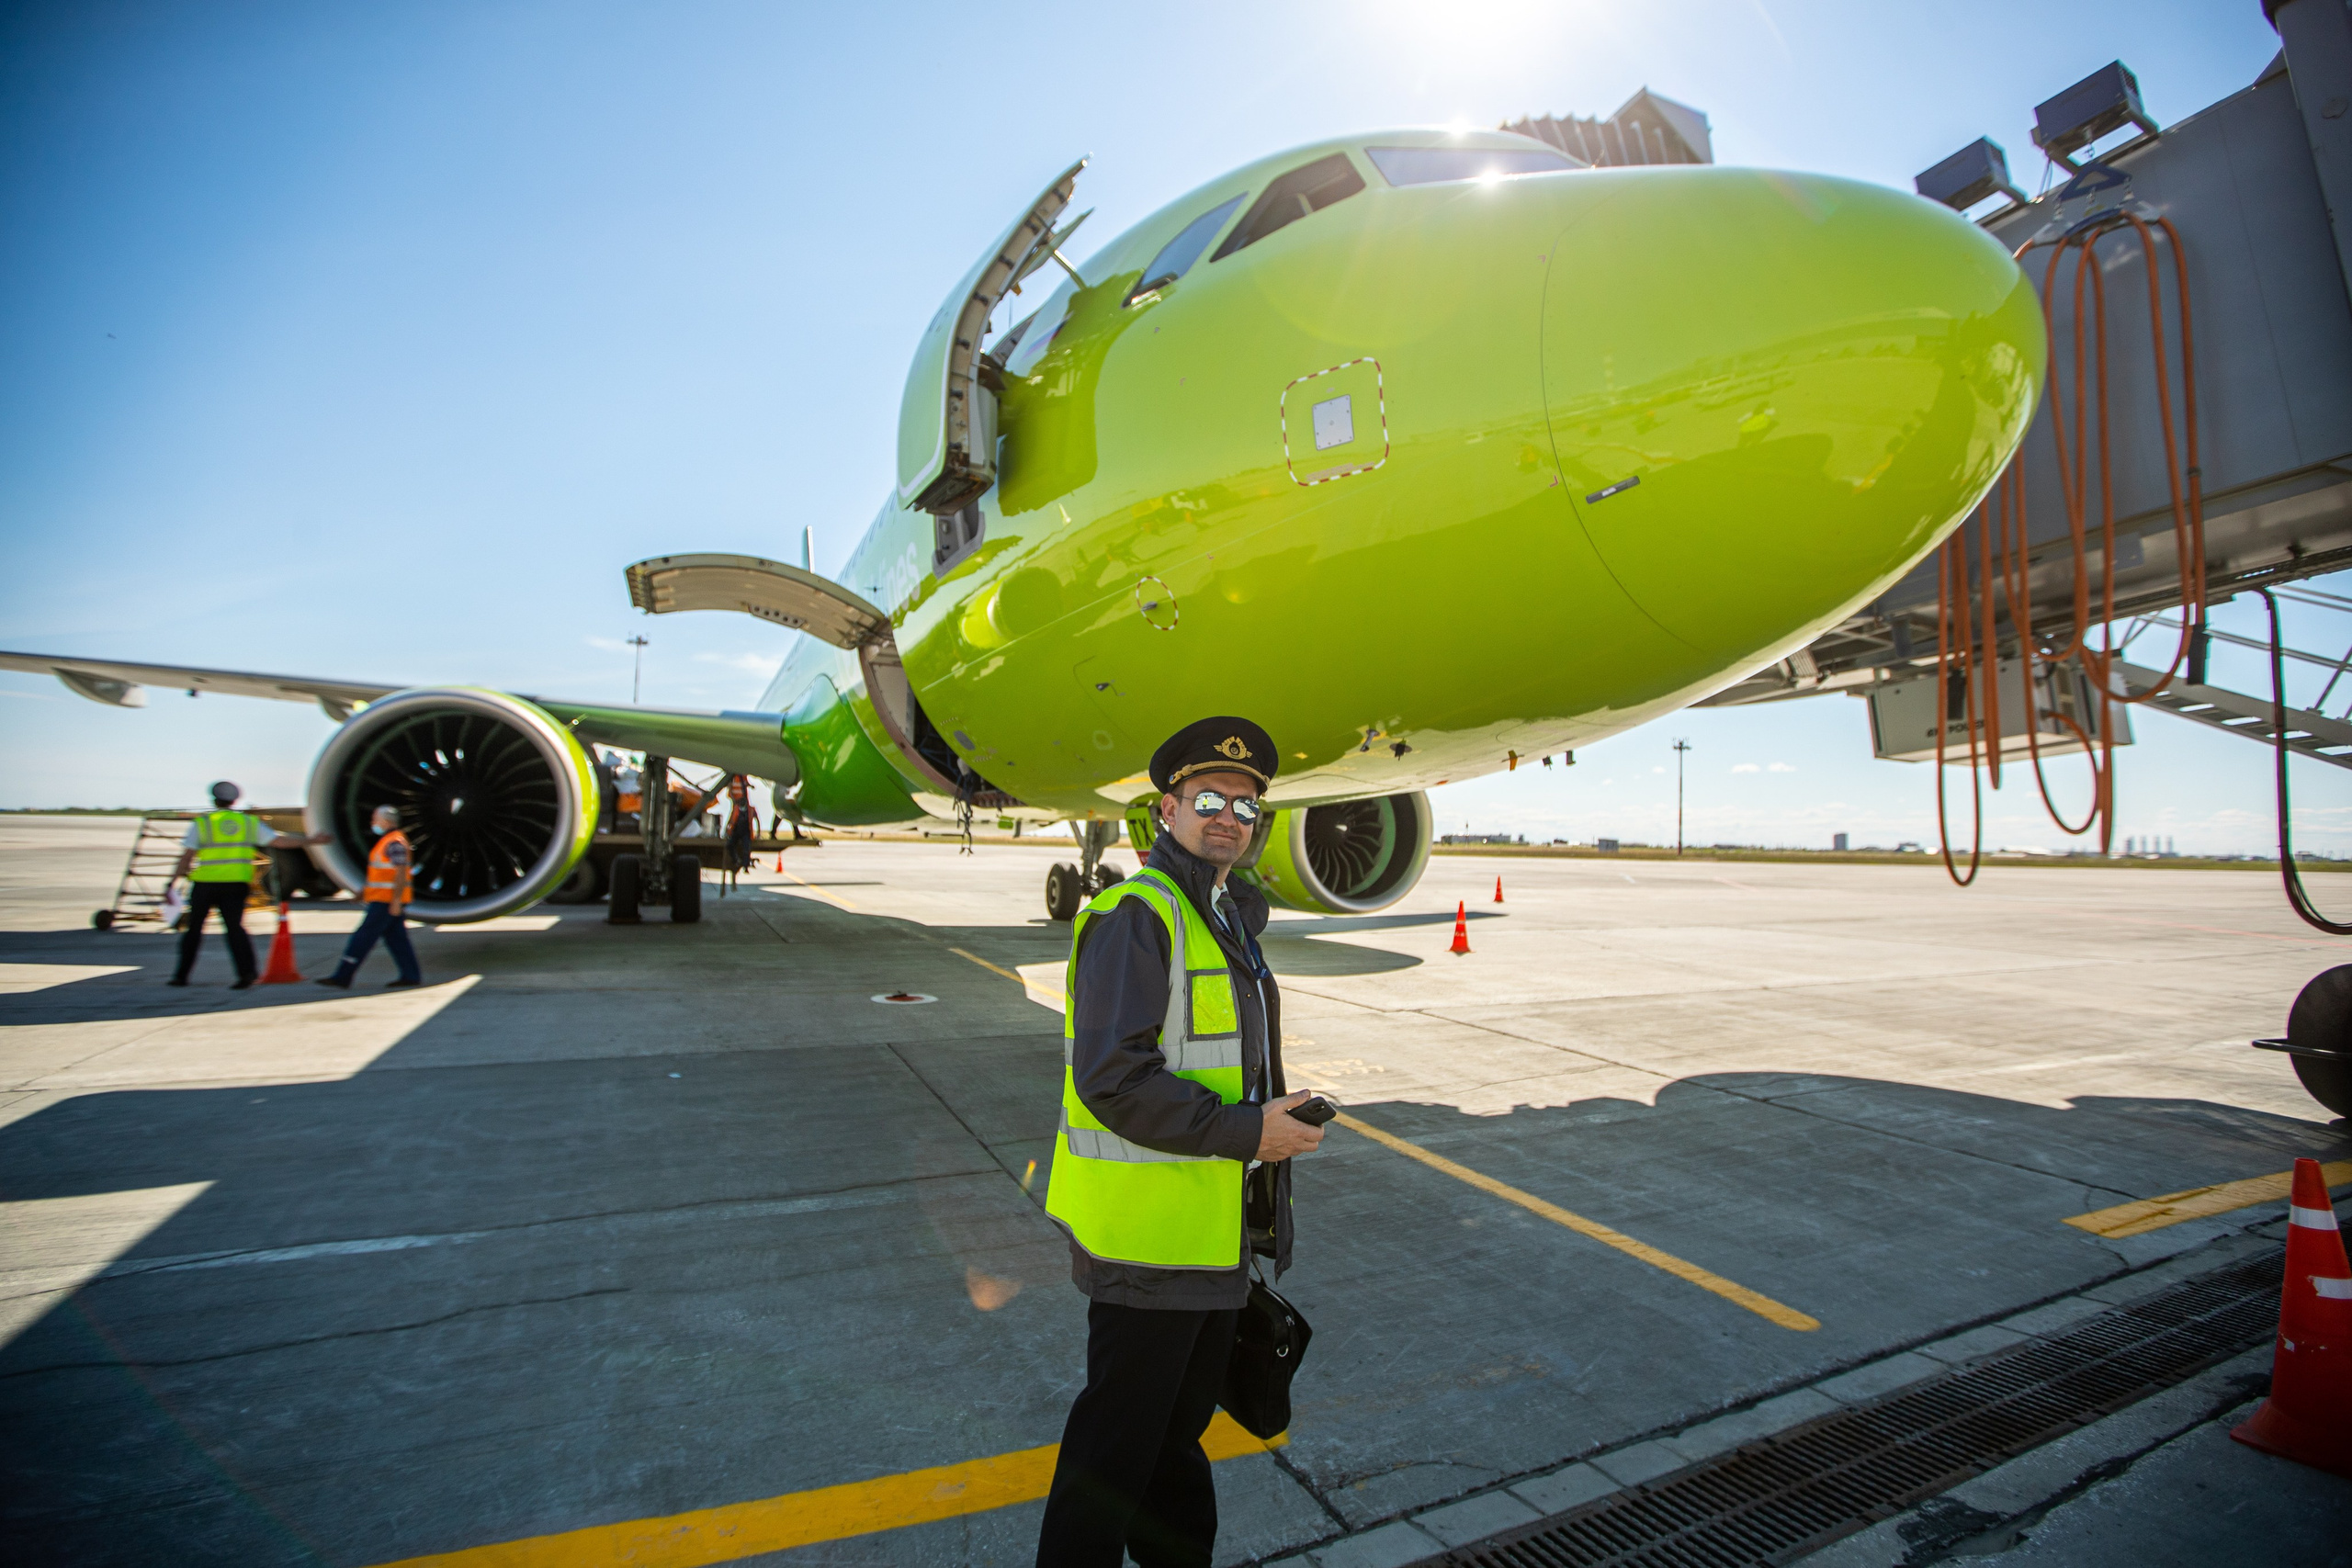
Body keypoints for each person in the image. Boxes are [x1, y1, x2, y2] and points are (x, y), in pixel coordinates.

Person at [1036, 717, 1324, 1568]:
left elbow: (1211, 1060)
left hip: (1209, 1238)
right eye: (1208, 799)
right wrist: (1247, 1131)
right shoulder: (1138, 915)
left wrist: (1276, 1110)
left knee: (1171, 1446)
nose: (1228, 815)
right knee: (1113, 1454)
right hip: (1148, 1244)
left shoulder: (1225, 917)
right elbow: (1113, 1078)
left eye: (1246, 805)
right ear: (1167, 808)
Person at [168, 781, 331, 988]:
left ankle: (181, 976)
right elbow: (278, 841)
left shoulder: (204, 823)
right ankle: (247, 974)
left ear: (215, 800)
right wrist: (312, 841)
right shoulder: (247, 823)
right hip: (235, 884)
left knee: (193, 931)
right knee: (235, 930)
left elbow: (187, 857)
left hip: (205, 884)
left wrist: (172, 883)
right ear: (235, 800)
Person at [315, 805, 422, 990]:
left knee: (363, 937)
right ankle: (410, 975)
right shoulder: (388, 841)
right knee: (397, 940)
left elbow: (400, 873)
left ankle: (343, 976)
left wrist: (396, 901)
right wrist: (363, 892)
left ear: (386, 821)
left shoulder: (394, 842)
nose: (373, 823)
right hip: (383, 898)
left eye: (375, 819)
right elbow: (380, 874)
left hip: (386, 901)